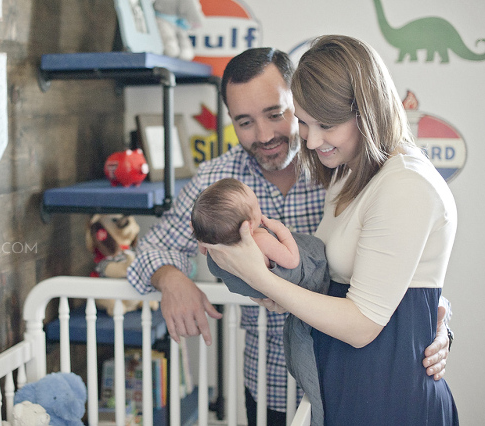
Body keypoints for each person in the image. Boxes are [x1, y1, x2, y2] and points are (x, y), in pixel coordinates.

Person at [126, 47, 452, 425]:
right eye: (245, 122)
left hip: (354, 380)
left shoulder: (339, 164)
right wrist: (171, 279)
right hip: (271, 384)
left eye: (276, 114)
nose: (264, 135)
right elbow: (155, 246)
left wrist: (437, 322)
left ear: (298, 100)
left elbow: (402, 264)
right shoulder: (216, 178)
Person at [192, 177, 330, 425]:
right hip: (312, 279)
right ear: (249, 223)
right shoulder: (262, 238)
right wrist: (281, 231)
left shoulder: (215, 251)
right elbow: (291, 261)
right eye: (256, 205)